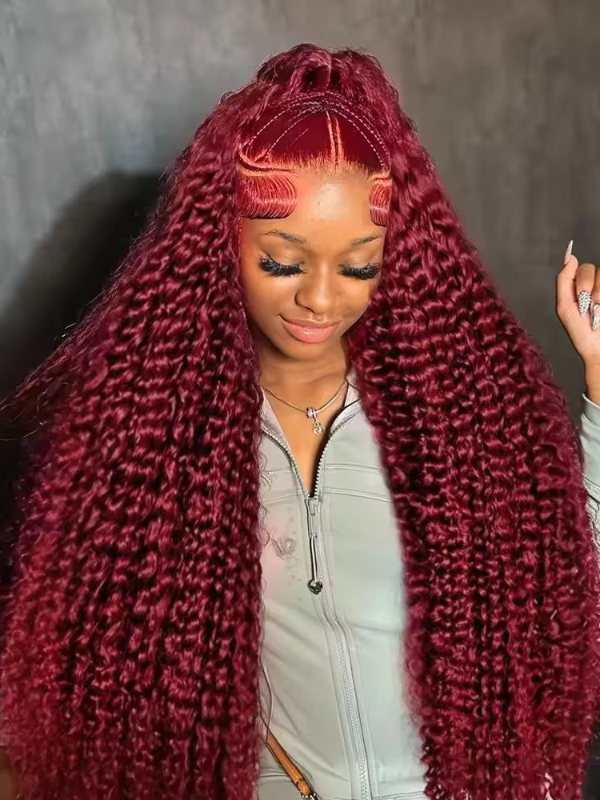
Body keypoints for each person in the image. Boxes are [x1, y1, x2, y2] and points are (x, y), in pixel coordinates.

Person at [0, 42, 599, 800]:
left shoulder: (454, 426)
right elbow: (65, 693)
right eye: (283, 262)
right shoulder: (151, 445)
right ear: (221, 244)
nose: (321, 298)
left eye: (358, 266)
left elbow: (569, 594)